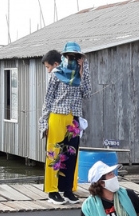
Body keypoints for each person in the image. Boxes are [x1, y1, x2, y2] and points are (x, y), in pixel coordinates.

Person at [39, 41, 92, 205]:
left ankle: (68, 190)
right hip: (56, 116)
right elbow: (48, 100)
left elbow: (87, 93)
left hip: (74, 117)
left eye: (76, 57)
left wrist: (83, 72)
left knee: (71, 154)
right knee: (54, 154)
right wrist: (44, 123)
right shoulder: (55, 73)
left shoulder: (82, 72)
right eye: (69, 56)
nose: (73, 59)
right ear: (63, 57)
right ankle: (52, 191)